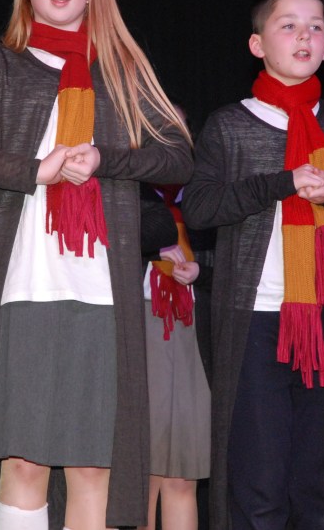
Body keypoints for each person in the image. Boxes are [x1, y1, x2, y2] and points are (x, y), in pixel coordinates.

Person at [0, 0, 193, 530]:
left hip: (102, 293)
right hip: (24, 288)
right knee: (23, 462)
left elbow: (179, 156)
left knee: (92, 468)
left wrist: (106, 159)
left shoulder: (122, 68)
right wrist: (31, 171)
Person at [182, 0, 324, 530]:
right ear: (257, 44)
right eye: (288, 26)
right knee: (259, 482)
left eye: (315, 27)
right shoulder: (230, 124)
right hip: (257, 319)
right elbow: (201, 208)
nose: (303, 37)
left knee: (323, 483)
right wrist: (281, 183)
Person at [139, 182, 211, 530]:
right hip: (141, 320)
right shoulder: (130, 186)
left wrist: (201, 273)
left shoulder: (201, 192)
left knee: (183, 475)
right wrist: (152, 247)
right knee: (144, 473)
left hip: (194, 330)